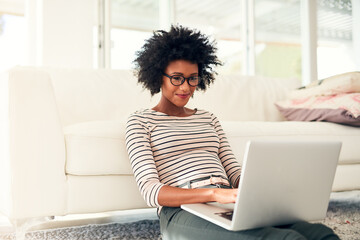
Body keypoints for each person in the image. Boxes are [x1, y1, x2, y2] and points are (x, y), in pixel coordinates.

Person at [125, 25, 339, 240]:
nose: (185, 87)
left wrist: (265, 185)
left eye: (193, 78)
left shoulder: (208, 118)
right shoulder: (140, 122)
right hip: (181, 211)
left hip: (229, 200)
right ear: (158, 76)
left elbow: (233, 172)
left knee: (320, 234)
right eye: (177, 78)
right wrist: (214, 192)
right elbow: (152, 192)